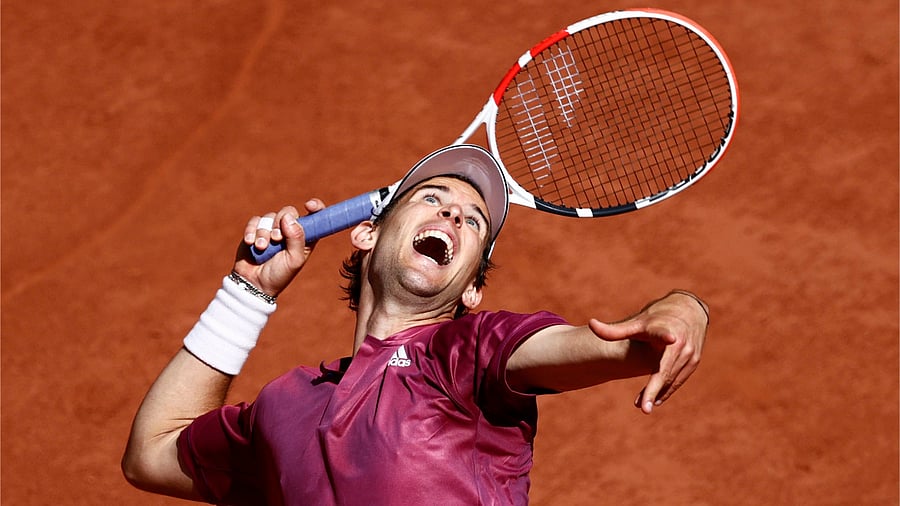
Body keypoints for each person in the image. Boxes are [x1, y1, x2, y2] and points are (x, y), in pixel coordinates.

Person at [122, 144, 709, 505]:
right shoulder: (285, 407)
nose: (453, 211)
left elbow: (616, 347)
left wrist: (683, 308)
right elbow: (151, 455)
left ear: (473, 287)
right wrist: (246, 293)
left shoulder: (468, 356)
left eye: (474, 222)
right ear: (367, 234)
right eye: (430, 198)